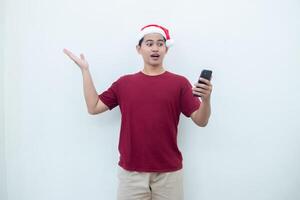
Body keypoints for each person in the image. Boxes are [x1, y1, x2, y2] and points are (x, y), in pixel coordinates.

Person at [63, 24, 213, 200]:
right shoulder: (124, 83)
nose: (155, 48)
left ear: (166, 49)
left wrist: (207, 99)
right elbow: (93, 107)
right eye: (149, 43)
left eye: (160, 44)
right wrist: (85, 70)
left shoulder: (179, 83)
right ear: (139, 49)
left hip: (169, 174)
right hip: (131, 174)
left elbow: (201, 121)